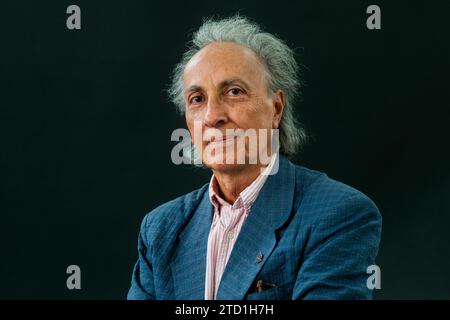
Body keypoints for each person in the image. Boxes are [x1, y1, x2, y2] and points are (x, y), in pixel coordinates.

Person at [127, 15, 382, 300]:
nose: (213, 116)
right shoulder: (160, 229)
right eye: (197, 99)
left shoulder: (337, 214)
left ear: (276, 108)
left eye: (234, 92)